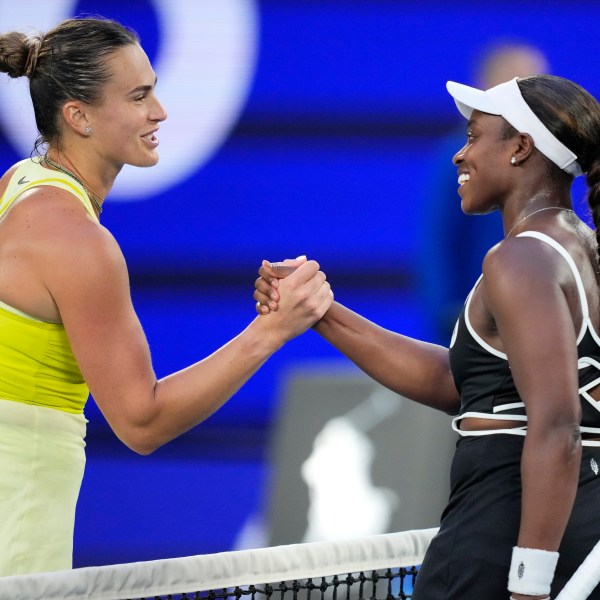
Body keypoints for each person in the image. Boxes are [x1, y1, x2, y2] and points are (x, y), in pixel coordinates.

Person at [0, 16, 333, 577]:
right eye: (138, 96)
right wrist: (271, 330)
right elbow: (142, 422)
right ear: (77, 116)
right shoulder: (80, 244)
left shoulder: (17, 185)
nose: (160, 112)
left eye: (154, 89)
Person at [255, 75, 600, 599]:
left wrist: (529, 583)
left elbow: (557, 427)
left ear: (521, 148)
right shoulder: (580, 248)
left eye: (473, 136)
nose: (459, 157)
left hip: (508, 532)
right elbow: (465, 385)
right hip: (572, 531)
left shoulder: (520, 259)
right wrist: (321, 312)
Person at [418, 41, 550, 343]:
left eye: (538, 83)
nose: (534, 95)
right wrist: (452, 319)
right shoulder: (457, 156)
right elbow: (438, 245)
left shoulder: (548, 157)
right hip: (476, 328)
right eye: (520, 83)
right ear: (486, 85)